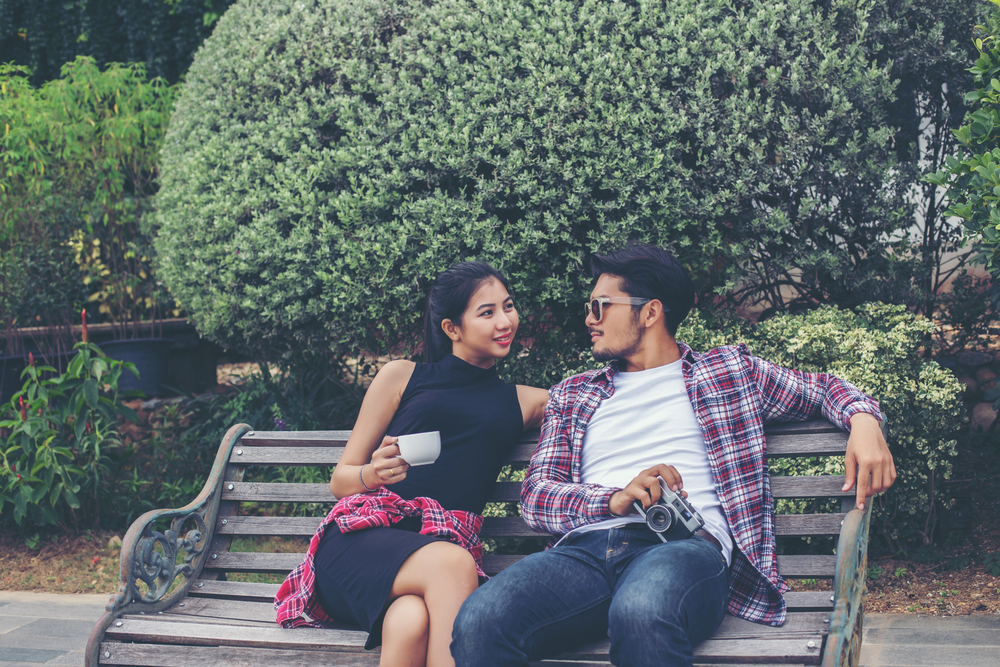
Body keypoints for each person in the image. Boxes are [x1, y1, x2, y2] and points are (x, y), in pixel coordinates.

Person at [451, 243, 896, 667]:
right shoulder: (575, 393)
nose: (589, 318)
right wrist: (614, 499)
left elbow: (824, 388)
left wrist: (864, 421)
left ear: (650, 312)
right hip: (584, 551)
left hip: (683, 548)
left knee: (642, 612)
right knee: (479, 622)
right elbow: (536, 496)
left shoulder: (727, 372)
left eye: (601, 306)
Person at [275, 261, 549, 667]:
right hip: (362, 540)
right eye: (487, 312)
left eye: (507, 307)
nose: (504, 321)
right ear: (452, 329)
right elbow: (341, 480)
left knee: (410, 621)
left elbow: (597, 406)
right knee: (453, 563)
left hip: (434, 560)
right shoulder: (403, 377)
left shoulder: (525, 401)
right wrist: (372, 473)